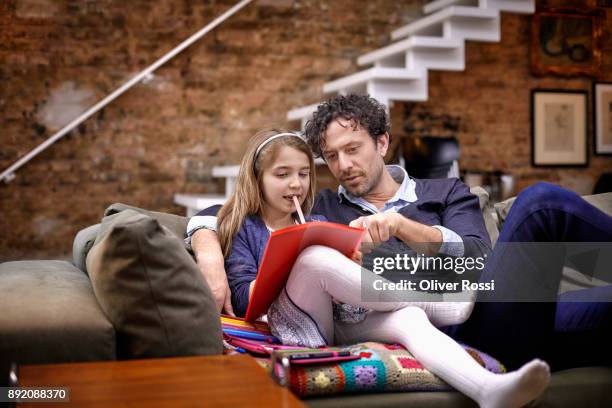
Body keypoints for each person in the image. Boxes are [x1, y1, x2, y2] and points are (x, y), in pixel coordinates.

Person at [187, 94, 612, 371]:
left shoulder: (444, 193)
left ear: (383, 142)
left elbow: (480, 261)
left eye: (353, 149)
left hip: (495, 302)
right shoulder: (321, 207)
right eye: (331, 157)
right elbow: (231, 209)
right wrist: (208, 251)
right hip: (450, 329)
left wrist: (407, 229)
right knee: (540, 205)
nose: (343, 165)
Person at [212, 128, 550, 408]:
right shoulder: (245, 227)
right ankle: (433, 299)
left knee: (409, 320)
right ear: (257, 179)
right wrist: (285, 263)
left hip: (337, 321)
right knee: (312, 257)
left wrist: (351, 255)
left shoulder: (315, 216)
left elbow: (339, 280)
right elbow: (244, 298)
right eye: (282, 175)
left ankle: (488, 390)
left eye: (303, 174)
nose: (296, 185)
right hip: (290, 329)